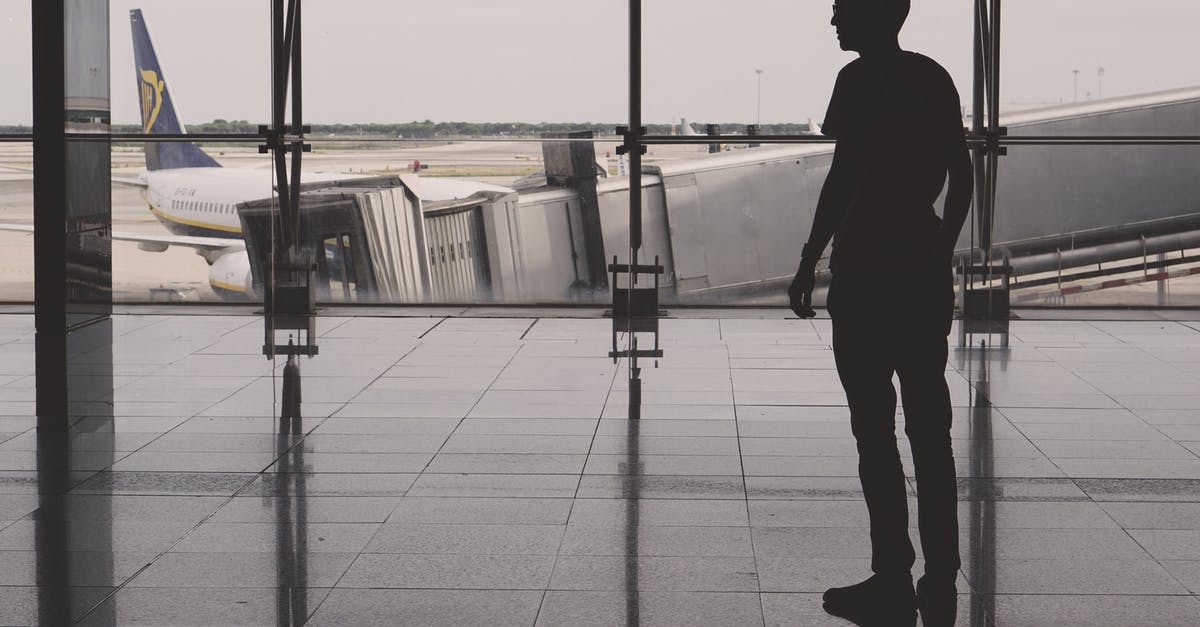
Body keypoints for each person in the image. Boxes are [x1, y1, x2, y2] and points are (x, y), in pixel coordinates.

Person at [788, 1, 972, 625]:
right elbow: (962, 172)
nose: (833, 22)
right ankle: (941, 577)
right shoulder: (933, 76)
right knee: (931, 431)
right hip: (919, 270)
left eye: (841, 11)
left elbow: (844, 177)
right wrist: (938, 247)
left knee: (874, 432)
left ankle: (891, 571)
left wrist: (810, 257)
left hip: (866, 272)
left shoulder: (859, 81)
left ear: (871, 15)